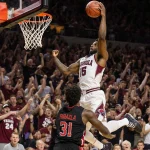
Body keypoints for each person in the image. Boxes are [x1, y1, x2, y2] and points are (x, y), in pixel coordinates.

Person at [52, 2, 142, 150]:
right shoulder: (82, 61)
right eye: (92, 44)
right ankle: (101, 147)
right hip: (81, 97)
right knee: (80, 129)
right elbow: (67, 71)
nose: (93, 44)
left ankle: (126, 120)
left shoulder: (100, 58)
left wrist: (103, 16)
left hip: (94, 96)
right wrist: (55, 58)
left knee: (102, 128)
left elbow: (101, 37)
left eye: (96, 43)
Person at [54, 85, 115, 150]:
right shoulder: (85, 113)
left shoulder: (60, 112)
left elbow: (56, 121)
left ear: (66, 97)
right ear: (80, 97)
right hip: (74, 146)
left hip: (58, 146)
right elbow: (105, 132)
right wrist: (110, 136)